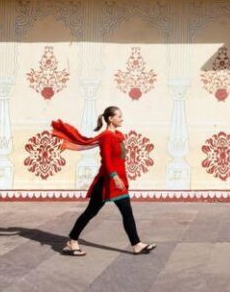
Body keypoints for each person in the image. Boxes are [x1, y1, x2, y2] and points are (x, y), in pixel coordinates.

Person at [52, 106, 156, 256]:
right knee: (90, 212)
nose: (122, 119)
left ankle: (137, 244)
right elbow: (106, 160)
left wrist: (119, 178)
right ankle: (72, 241)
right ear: (110, 119)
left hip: (118, 182)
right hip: (106, 182)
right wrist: (115, 176)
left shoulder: (117, 135)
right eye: (119, 116)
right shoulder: (107, 136)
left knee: (127, 213)